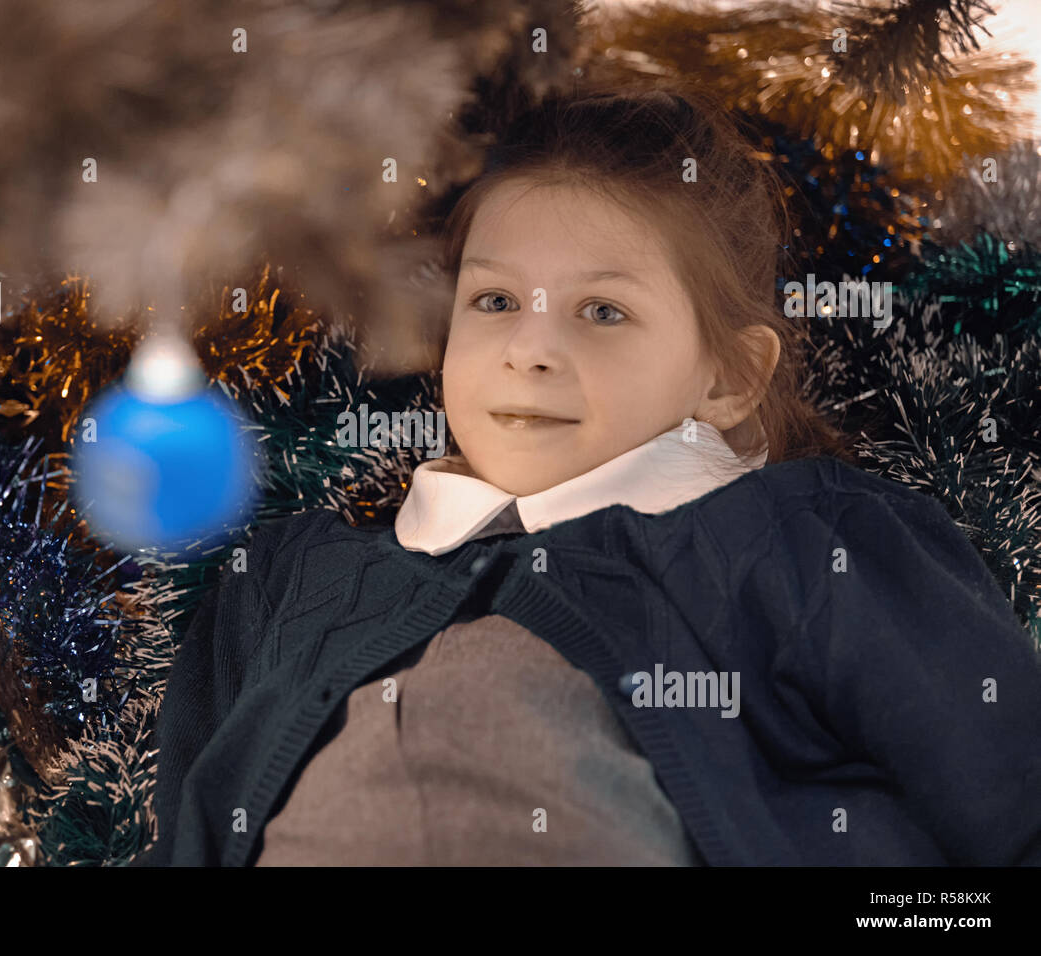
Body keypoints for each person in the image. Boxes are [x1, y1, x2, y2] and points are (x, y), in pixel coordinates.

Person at [134, 84, 1041, 867]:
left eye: (602, 311)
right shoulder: (290, 574)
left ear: (728, 378)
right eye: (493, 301)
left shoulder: (813, 544)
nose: (531, 348)